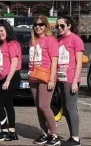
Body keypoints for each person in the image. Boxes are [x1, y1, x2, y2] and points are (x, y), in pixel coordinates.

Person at [0, 19, 21, 141]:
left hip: (12, 77)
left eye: (2, 31)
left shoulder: (12, 44)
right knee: (8, 105)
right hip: (1, 78)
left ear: (7, 30)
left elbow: (14, 62)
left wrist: (7, 81)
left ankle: (4, 131)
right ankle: (12, 133)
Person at [29, 15, 61, 146]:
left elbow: (54, 61)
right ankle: (44, 133)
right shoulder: (33, 41)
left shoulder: (51, 40)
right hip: (33, 76)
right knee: (38, 107)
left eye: (41, 25)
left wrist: (52, 79)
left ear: (46, 26)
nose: (38, 27)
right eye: (36, 25)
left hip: (46, 76)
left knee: (44, 106)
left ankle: (54, 135)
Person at [55, 16, 84, 146]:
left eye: (62, 26)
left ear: (69, 26)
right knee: (65, 109)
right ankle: (72, 137)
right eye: (57, 26)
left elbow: (79, 63)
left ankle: (76, 138)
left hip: (70, 79)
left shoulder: (76, 40)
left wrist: (75, 81)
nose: (59, 28)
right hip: (60, 79)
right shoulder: (59, 40)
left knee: (71, 108)